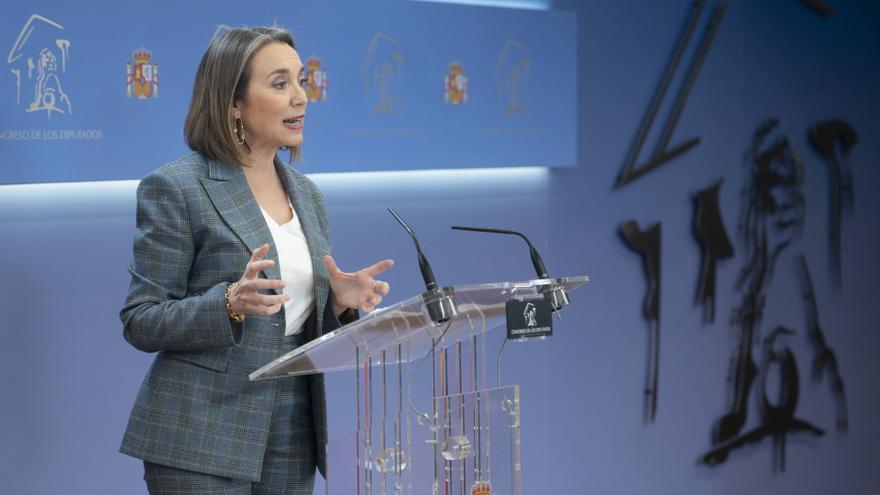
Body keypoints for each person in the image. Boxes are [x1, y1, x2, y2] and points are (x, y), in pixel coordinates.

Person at [119, 26, 393, 494]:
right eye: (280, 83)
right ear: (233, 103)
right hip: (201, 430)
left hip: (293, 426)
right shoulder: (177, 188)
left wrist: (339, 304)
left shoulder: (308, 195)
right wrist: (227, 302)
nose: (301, 98)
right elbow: (140, 320)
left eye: (301, 81)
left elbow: (294, 321)